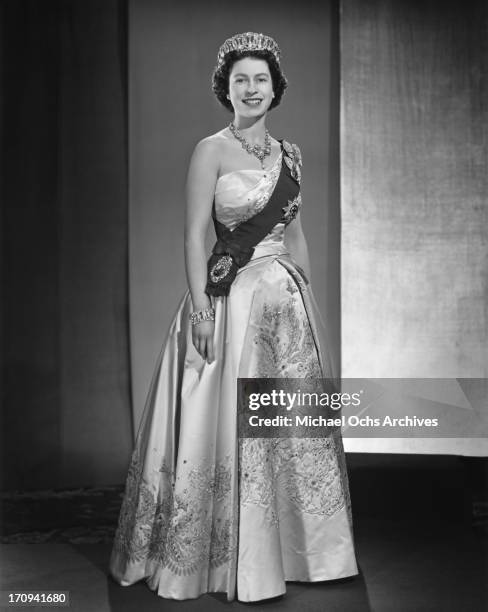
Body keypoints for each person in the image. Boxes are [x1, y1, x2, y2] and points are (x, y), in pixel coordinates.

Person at [109, 31, 358, 602]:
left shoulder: (290, 155)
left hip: (284, 311)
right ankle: (224, 561)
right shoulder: (211, 150)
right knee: (225, 427)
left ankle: (305, 555)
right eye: (241, 79)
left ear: (275, 89)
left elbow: (294, 233)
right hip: (229, 303)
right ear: (228, 88)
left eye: (261, 79)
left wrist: (305, 297)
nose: (251, 88)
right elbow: (195, 235)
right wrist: (201, 306)